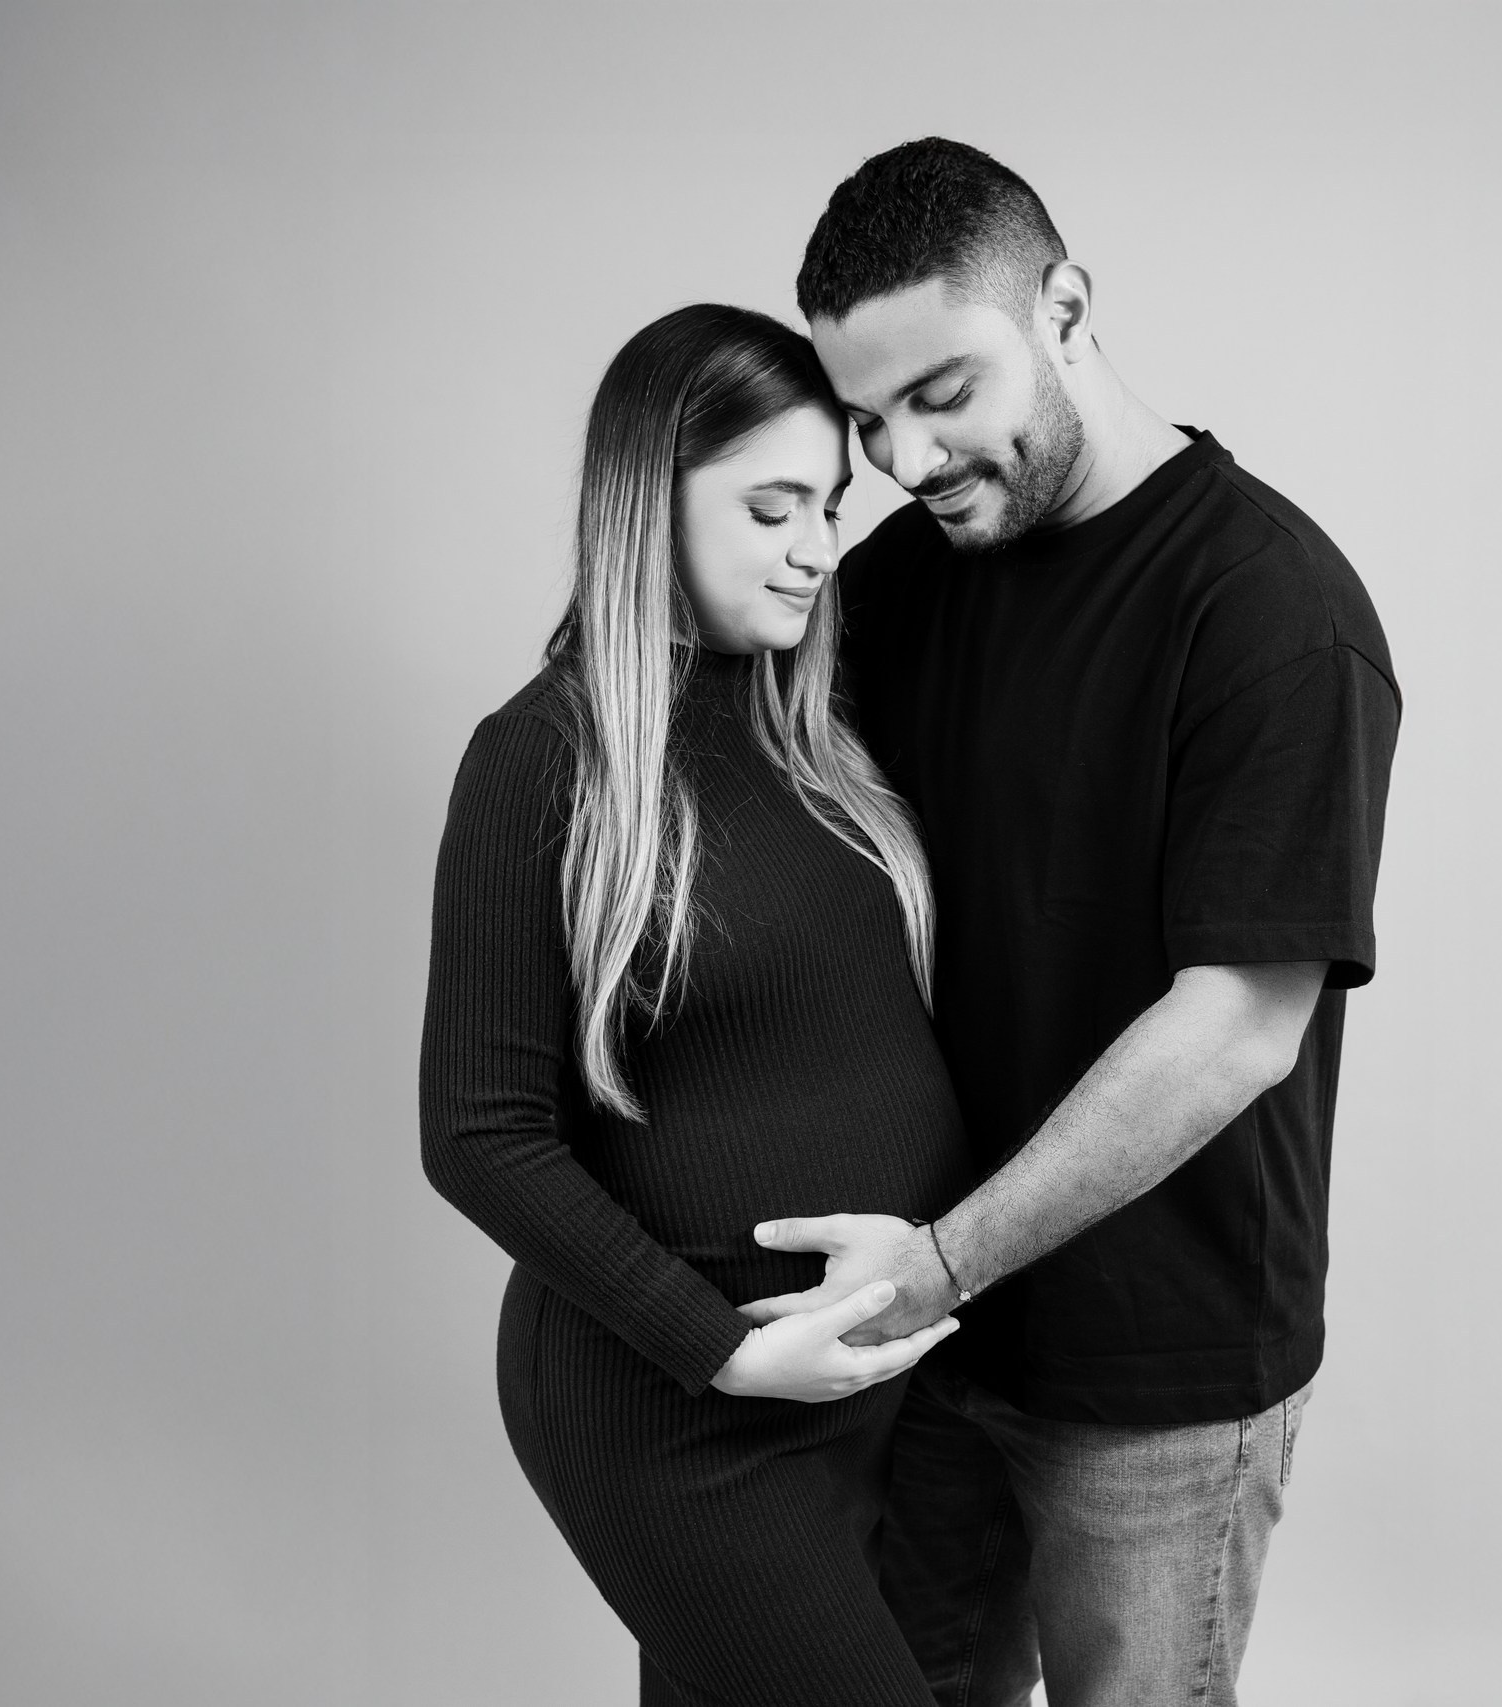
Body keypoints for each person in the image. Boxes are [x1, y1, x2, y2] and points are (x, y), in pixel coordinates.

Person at [738, 139, 1403, 1706]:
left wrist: (941, 1264)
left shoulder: (1271, 610)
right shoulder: (899, 587)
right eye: (869, 420)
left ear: (1067, 310)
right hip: (922, 1344)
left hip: (1157, 1373)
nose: (906, 457)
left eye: (943, 393)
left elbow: (1235, 1028)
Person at [419, 302, 977, 1707]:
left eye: (830, 508)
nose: (815, 549)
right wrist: (722, 1351)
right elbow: (478, 1134)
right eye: (771, 508)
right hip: (671, 1406)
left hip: (853, 1395)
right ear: (645, 503)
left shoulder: (812, 736)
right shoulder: (540, 762)